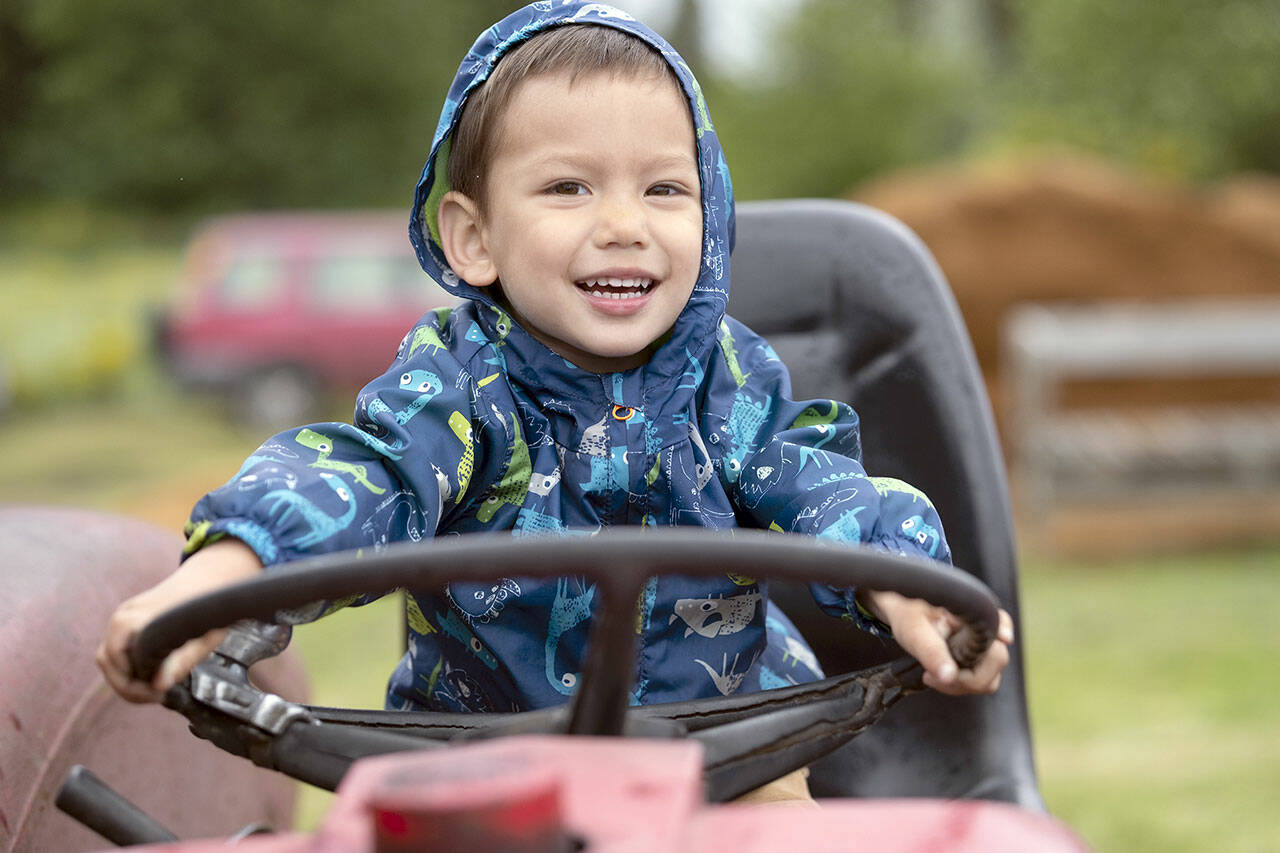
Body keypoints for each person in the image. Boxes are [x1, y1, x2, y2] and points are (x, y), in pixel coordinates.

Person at [98, 1, 1013, 802]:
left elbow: (822, 492)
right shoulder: (454, 389)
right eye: (568, 188)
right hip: (476, 751)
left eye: (665, 188)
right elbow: (364, 473)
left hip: (729, 745)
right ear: (474, 237)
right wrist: (224, 572)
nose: (624, 224)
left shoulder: (728, 382)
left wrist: (900, 578)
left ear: (712, 214)